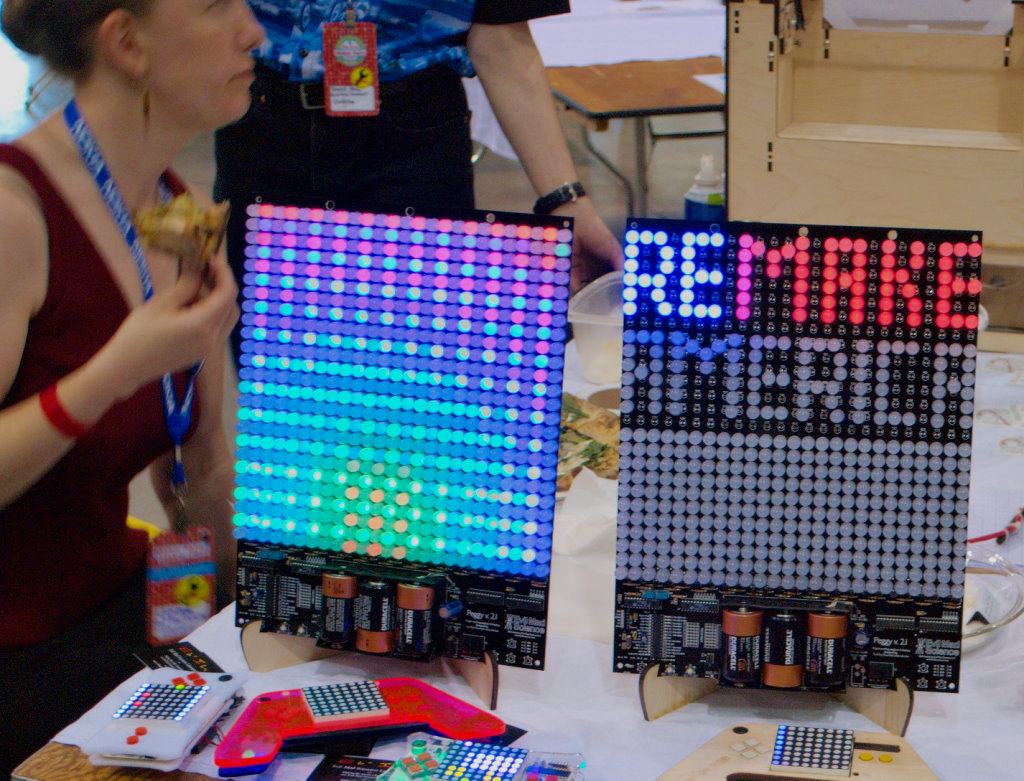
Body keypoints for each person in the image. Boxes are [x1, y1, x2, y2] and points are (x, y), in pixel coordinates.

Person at [0, 0, 263, 770]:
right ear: (126, 41)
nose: (253, 31)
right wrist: (116, 369)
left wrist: (273, 615)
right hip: (23, 657)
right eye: (216, 7)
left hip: (119, 613)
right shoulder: (15, 214)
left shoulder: (178, 209)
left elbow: (203, 470)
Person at [215, 0, 624, 360]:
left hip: (410, 133)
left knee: (413, 372)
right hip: (261, 120)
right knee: (276, 373)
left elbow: (501, 36)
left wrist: (566, 199)